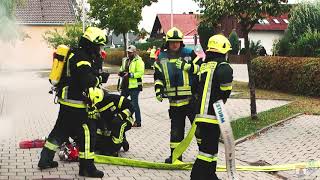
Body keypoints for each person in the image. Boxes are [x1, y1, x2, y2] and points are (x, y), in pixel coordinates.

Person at [38, 27, 109, 178]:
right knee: (88, 133)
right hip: (77, 103)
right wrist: (100, 78)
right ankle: (87, 168)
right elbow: (86, 80)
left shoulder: (74, 53)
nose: (99, 49)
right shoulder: (83, 57)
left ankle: (45, 160)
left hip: (66, 101)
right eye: (98, 46)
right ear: (92, 44)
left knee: (59, 130)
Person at [185, 34, 233, 180]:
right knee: (206, 152)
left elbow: (194, 88)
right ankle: (196, 177)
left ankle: (211, 176)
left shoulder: (204, 66)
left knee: (211, 151)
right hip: (213, 116)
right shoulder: (224, 67)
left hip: (199, 116)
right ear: (223, 50)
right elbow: (225, 92)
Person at [153, 27, 197, 163]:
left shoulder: (189, 53)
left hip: (191, 100)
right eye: (172, 42)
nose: (174, 44)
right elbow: (158, 76)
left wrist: (189, 67)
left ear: (181, 42)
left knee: (199, 130)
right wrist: (158, 90)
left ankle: (203, 157)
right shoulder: (161, 57)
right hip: (174, 102)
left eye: (177, 42)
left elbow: (202, 70)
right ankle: (176, 157)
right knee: (176, 131)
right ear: (167, 42)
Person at [95, 91, 134, 156]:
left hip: (124, 119)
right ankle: (123, 141)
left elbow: (131, 106)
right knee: (101, 143)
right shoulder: (95, 106)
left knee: (117, 124)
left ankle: (115, 149)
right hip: (110, 122)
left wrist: (121, 116)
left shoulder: (112, 98)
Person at [118, 45, 145, 127]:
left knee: (134, 104)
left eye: (130, 53)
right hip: (125, 85)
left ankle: (138, 122)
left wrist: (130, 75)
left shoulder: (139, 61)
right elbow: (122, 68)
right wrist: (121, 72)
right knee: (121, 102)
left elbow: (140, 73)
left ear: (134, 52)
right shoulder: (125, 60)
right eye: (127, 52)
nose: (128, 54)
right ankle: (125, 119)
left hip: (134, 86)